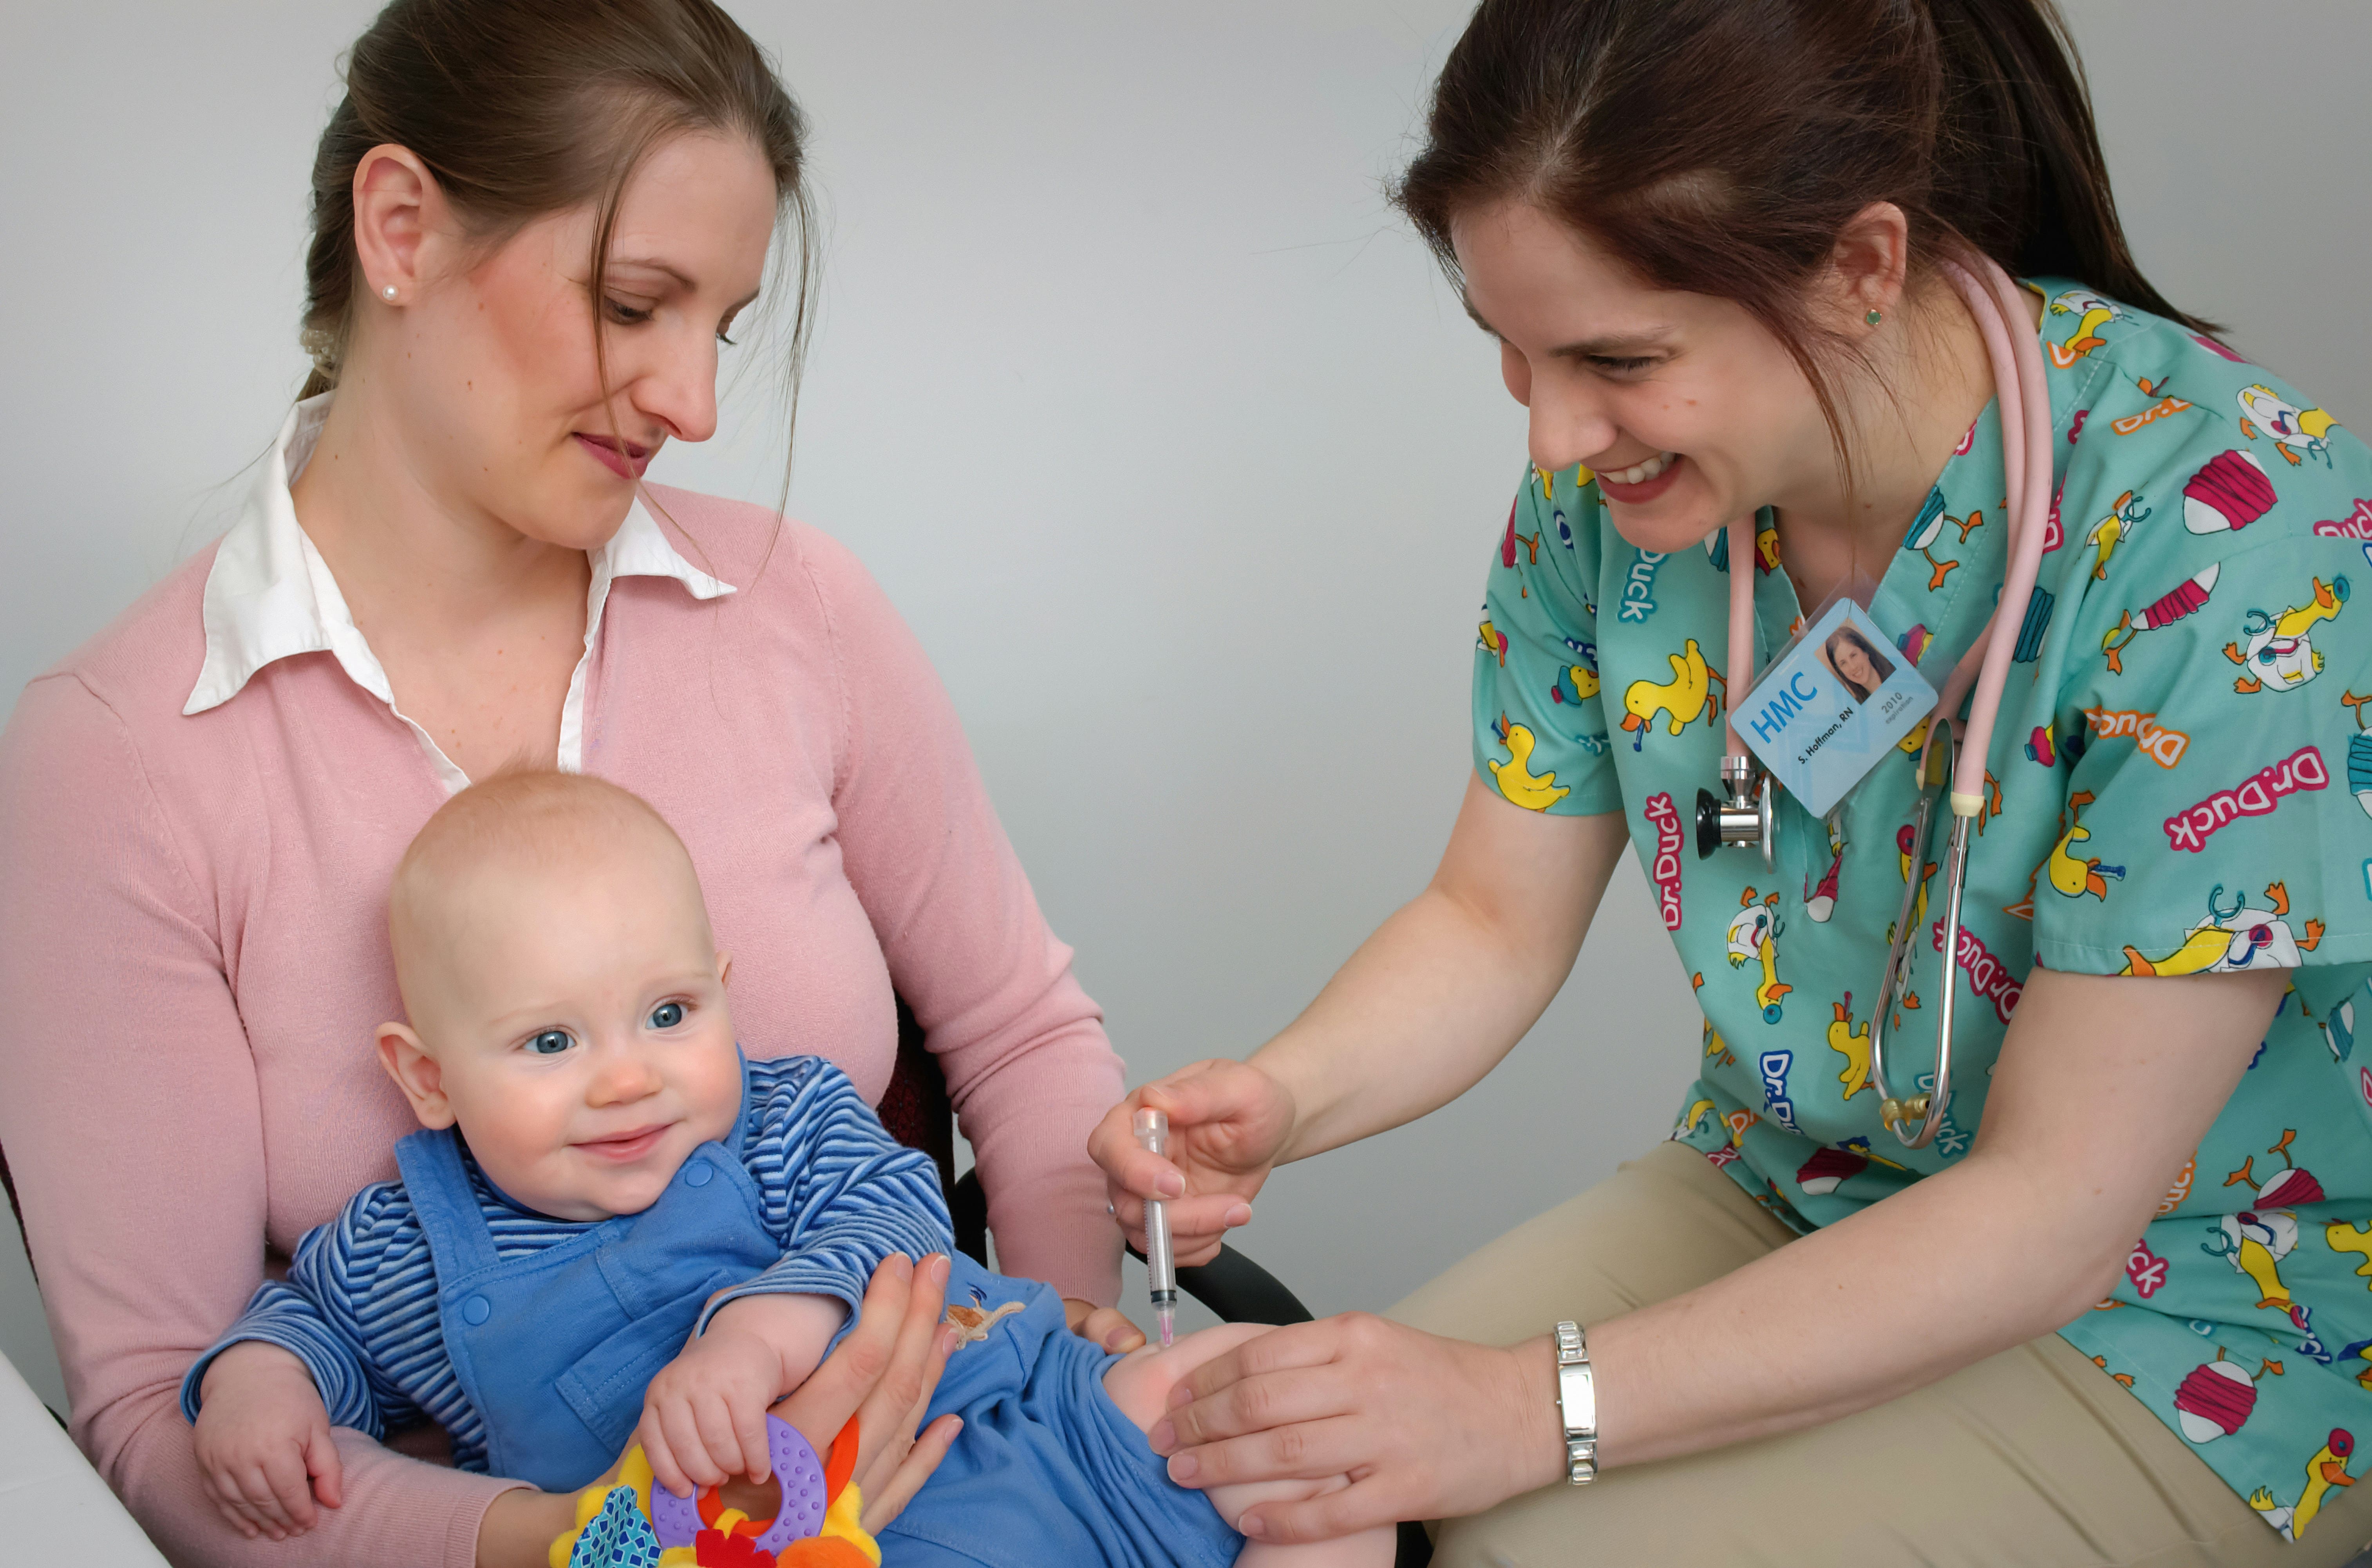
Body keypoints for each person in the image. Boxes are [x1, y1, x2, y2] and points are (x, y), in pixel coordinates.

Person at [1092, 0, 2372, 1563]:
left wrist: (1514, 1407)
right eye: (1514, 355)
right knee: (1228, 1473)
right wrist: (1284, 1094)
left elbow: (2052, 1206)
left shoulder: (2224, 536)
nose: (1556, 435)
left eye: (1614, 359)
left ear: (1855, 267)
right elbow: (1490, 918)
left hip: (2180, 1315)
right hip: (1786, 1186)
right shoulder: (1622, 508)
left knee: (1486, 1543)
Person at [0, 5, 1136, 1566]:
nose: (695, 402)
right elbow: (155, 1410)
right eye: (631, 302)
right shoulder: (118, 764)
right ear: (398, 228)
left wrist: (1066, 1367)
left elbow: (1019, 1036)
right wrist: (606, 1543)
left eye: (719, 326)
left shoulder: (799, 610)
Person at [186, 771, 1393, 1568]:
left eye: (668, 1010)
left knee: (1305, 1406)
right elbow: (307, 1320)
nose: (627, 1078)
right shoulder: (402, 1242)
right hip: (811, 1541)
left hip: (1035, 1405)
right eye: (551, 1040)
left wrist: (760, 1333)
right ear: (429, 1075)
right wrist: (259, 1384)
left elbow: (894, 1208)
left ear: (722, 986)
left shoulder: (783, 1112)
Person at [1821, 624, 1893, 704]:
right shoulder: (1858, 710)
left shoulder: (1900, 672)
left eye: (1853, 655)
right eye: (1843, 663)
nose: (1853, 667)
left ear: (1866, 651)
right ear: (1840, 671)